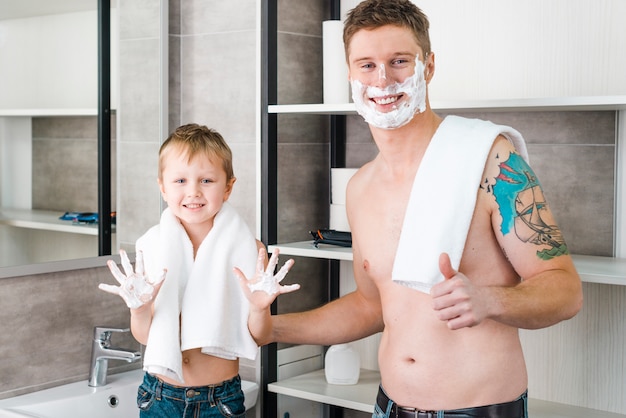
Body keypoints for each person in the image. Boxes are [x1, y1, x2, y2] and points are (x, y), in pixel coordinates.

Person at [236, 1, 583, 417]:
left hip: (478, 410)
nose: (382, 79)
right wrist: (270, 326)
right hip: (389, 406)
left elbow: (564, 289)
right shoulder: (361, 187)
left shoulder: (489, 160)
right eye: (366, 65)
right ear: (349, 73)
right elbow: (372, 306)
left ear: (428, 66)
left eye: (399, 61)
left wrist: (490, 301)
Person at [99, 123, 298, 418]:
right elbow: (145, 337)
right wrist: (139, 309)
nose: (193, 192)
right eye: (180, 180)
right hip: (159, 397)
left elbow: (258, 335)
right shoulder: (151, 248)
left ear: (228, 187)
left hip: (219, 399)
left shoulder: (248, 249)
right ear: (163, 187)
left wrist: (259, 308)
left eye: (206, 180)